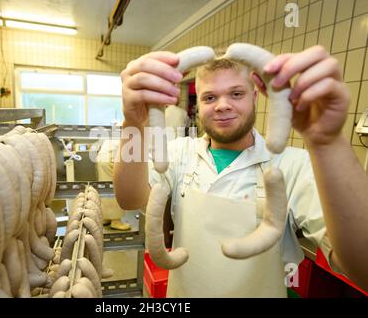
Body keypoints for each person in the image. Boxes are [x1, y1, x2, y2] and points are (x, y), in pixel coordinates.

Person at [114, 45, 368, 296]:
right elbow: (129, 199)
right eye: (209, 97)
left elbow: (361, 267)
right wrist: (133, 123)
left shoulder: (292, 163)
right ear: (198, 105)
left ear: (256, 96)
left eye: (236, 94)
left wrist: (329, 143)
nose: (222, 105)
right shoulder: (179, 152)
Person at [96, 130, 132, 231]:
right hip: (110, 159)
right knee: (115, 189)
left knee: (105, 188)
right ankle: (116, 221)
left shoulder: (118, 129)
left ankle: (106, 218)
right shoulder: (131, 130)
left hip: (102, 158)